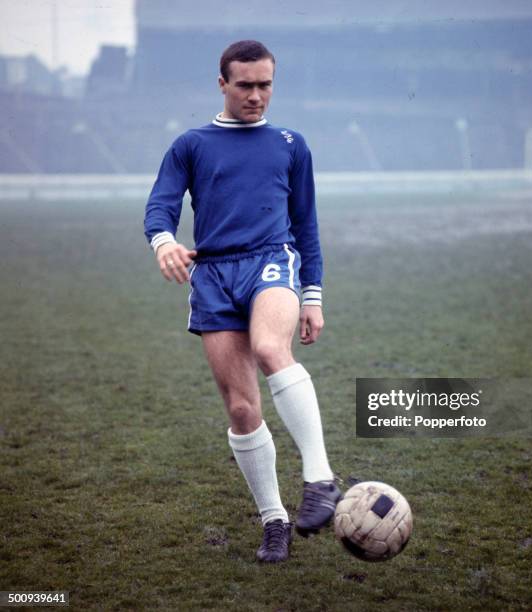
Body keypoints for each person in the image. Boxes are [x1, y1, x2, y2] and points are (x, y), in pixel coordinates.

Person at [144, 40, 341, 563]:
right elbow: (159, 206)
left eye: (266, 84)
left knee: (271, 349)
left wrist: (313, 295)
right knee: (240, 408)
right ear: (222, 84)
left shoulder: (290, 143)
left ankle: (320, 479)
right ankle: (274, 520)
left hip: (270, 259)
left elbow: (307, 226)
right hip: (212, 275)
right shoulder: (191, 144)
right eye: (246, 85)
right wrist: (165, 242)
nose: (257, 95)